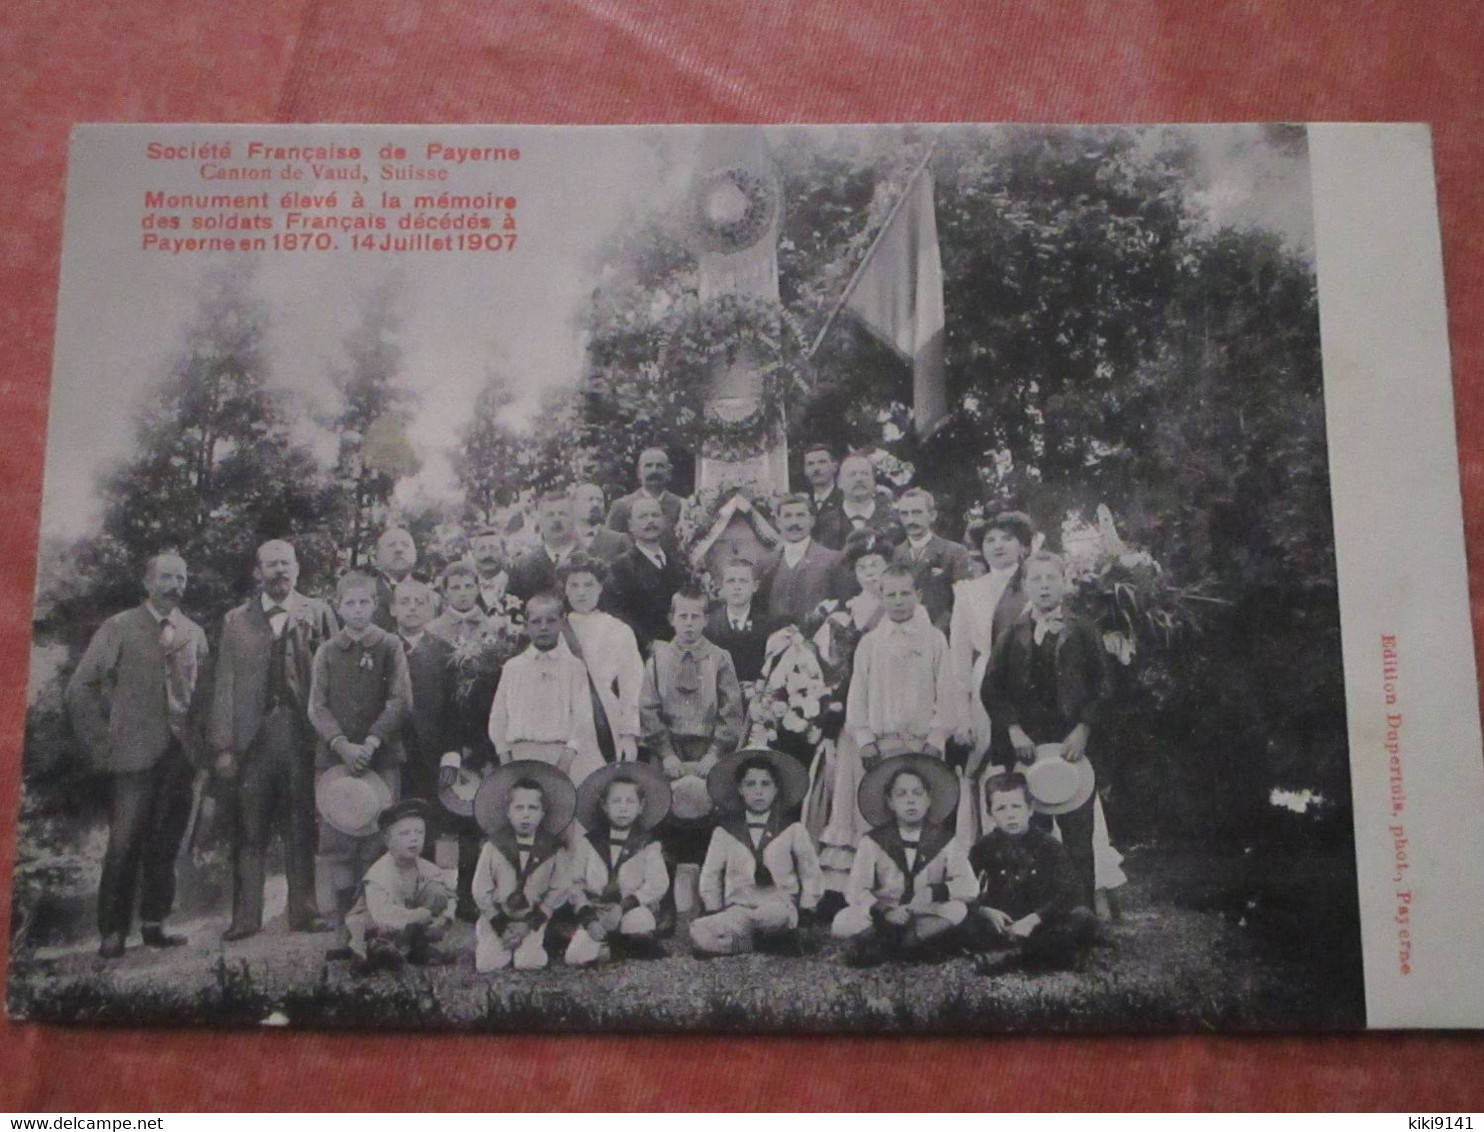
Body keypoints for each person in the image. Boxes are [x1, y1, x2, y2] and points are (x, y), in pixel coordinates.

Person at [66, 552, 210, 959]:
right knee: (125, 842)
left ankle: (155, 923)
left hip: (179, 757)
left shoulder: (194, 633)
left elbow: (204, 696)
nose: (174, 585)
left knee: (167, 843)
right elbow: (80, 689)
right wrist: (101, 745)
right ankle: (112, 931)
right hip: (131, 757)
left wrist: (199, 746)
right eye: (166, 577)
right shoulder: (120, 627)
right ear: (148, 582)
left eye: (181, 578)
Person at [211, 539, 338, 942]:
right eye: (271, 565)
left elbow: (334, 675)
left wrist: (332, 739)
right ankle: (246, 917)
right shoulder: (237, 621)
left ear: (297, 569)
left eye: (286, 564)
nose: (279, 571)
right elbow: (224, 685)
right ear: (257, 572)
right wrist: (225, 746)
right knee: (250, 829)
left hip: (302, 738)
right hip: (254, 740)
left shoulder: (317, 613)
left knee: (301, 825)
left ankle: (304, 911)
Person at [984, 550, 1110, 905]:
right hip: (1027, 744)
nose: (1043, 586)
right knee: (1028, 833)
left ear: (1064, 583)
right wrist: (1013, 730)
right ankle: (1030, 912)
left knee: (1077, 833)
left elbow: (1103, 685)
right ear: (1025, 586)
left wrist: (1083, 728)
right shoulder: (1012, 632)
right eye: (1036, 579)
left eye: (1051, 578)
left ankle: (1081, 914)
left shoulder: (1083, 629)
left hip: (1071, 744)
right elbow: (992, 688)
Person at [307, 571, 414, 948]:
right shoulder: (327, 652)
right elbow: (317, 706)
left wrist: (370, 742)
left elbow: (400, 700)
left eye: (364, 602)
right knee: (338, 844)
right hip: (336, 762)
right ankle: (343, 929)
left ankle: (381, 928)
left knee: (378, 842)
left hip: (380, 759)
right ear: (338, 607)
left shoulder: (389, 646)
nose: (357, 610)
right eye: (349, 603)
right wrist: (341, 744)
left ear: (376, 605)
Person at [810, 532, 896, 890]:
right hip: (853, 709)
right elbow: (829, 663)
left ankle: (888, 867)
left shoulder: (898, 608)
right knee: (849, 780)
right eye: (863, 567)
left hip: (889, 708)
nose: (870, 573)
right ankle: (847, 874)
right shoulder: (843, 611)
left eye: (876, 566)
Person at [831, 754, 975, 966]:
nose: (910, 800)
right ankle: (910, 946)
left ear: (928, 800)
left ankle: (892, 945)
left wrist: (935, 891)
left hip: (924, 912)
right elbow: (855, 890)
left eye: (918, 793)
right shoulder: (873, 841)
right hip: (887, 913)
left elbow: (969, 885)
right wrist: (885, 911)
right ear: (890, 801)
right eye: (901, 794)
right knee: (842, 922)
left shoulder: (945, 840)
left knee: (958, 909)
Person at [640, 588, 745, 871]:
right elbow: (648, 709)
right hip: (669, 750)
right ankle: (666, 889)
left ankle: (705, 885)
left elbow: (731, 711)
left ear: (706, 620)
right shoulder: (658, 659)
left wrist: (715, 753)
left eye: (695, 616)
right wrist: (665, 754)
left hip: (707, 749)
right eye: (682, 616)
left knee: (707, 815)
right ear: (672, 619)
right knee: (665, 815)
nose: (688, 623)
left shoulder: (720, 658)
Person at [948, 510, 1034, 840]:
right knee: (991, 768)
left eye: (1007, 539)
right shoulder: (969, 591)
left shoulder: (1033, 583)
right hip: (986, 687)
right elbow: (958, 658)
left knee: (1032, 763)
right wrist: (961, 716)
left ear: (1023, 546)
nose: (998, 546)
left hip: (1030, 686)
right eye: (990, 540)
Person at [690, 749, 823, 957]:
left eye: (765, 784)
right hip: (739, 908)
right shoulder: (725, 831)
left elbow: (810, 872)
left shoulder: (792, 829)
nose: (758, 791)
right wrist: (713, 908)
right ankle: (761, 943)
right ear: (740, 789)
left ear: (776, 789)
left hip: (778, 905)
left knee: (773, 917)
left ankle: (747, 941)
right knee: (700, 931)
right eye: (750, 784)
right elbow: (711, 874)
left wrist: (807, 909)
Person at [966, 772, 1097, 973]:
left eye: (1016, 806)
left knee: (1083, 917)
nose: (1010, 814)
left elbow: (1069, 890)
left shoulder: (1049, 845)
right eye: (1001, 808)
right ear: (990, 813)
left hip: (1040, 920)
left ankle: (1011, 957)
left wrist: (1035, 918)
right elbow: (963, 885)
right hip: (1003, 921)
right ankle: (1034, 955)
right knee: (962, 921)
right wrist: (984, 911)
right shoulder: (984, 847)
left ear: (1030, 809)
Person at [487, 592, 605, 788]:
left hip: (562, 756)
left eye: (551, 621)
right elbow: (499, 716)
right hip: (521, 755)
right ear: (525, 625)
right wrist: (504, 755)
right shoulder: (513, 667)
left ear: (562, 622)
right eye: (535, 621)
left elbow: (582, 716)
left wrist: (568, 756)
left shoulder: (574, 667)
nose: (543, 627)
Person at [561, 761, 672, 965]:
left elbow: (658, 884)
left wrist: (624, 906)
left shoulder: (647, 843)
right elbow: (574, 884)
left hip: (631, 908)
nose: (623, 808)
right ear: (604, 806)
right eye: (616, 802)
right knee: (575, 958)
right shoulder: (589, 842)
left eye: (630, 802)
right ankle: (623, 948)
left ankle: (623, 946)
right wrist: (589, 918)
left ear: (640, 807)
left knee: (639, 923)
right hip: (598, 910)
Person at [471, 761, 576, 972]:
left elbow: (561, 887)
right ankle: (497, 942)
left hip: (531, 918)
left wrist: (530, 923)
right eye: (519, 808)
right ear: (508, 812)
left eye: (533, 808)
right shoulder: (494, 846)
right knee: (487, 964)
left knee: (529, 962)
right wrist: (501, 925)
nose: (526, 814)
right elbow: (480, 889)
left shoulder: (553, 848)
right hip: (498, 916)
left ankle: (535, 942)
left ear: (543, 813)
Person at [343, 798, 455, 974]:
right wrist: (419, 915)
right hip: (375, 921)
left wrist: (444, 918)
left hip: (408, 922)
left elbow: (448, 897)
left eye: (419, 833)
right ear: (388, 841)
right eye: (405, 834)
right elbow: (383, 915)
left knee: (436, 890)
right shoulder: (380, 873)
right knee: (374, 935)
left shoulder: (427, 869)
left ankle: (417, 946)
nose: (414, 839)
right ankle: (369, 953)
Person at [559, 552, 644, 763]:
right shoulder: (555, 629)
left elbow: (632, 688)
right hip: (562, 721)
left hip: (604, 719)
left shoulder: (619, 630)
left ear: (600, 587)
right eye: (574, 585)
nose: (581, 592)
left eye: (588, 585)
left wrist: (629, 735)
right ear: (565, 589)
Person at [391, 580, 458, 810]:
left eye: (419, 602)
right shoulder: (381, 649)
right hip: (390, 752)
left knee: (430, 818)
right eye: (404, 602)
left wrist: (451, 753)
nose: (412, 608)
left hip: (432, 753)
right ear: (393, 608)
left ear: (431, 609)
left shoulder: (445, 652)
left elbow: (454, 707)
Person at [607, 495, 688, 652]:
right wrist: (648, 642)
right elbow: (618, 613)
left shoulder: (676, 561)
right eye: (643, 517)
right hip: (644, 653)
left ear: (664, 520)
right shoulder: (621, 566)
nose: (650, 521)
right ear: (630, 525)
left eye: (655, 515)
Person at [756, 494, 846, 628]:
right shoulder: (766, 563)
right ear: (778, 522)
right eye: (787, 516)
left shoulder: (832, 560)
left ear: (812, 521)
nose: (794, 523)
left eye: (800, 515)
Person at [892, 488, 972, 630]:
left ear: (932, 515)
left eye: (917, 513)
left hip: (942, 634)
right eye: (905, 514)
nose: (911, 520)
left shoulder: (954, 553)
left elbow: (963, 603)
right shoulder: (894, 555)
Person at [704, 557, 777, 687]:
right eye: (731, 581)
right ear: (722, 586)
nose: (737, 587)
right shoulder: (709, 625)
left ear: (755, 586)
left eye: (743, 581)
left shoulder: (768, 626)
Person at [814, 454, 901, 551]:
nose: (859, 479)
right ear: (839, 483)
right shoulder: (822, 524)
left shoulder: (895, 521)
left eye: (864, 473)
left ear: (874, 481)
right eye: (852, 474)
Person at [509, 492, 583, 602]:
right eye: (550, 515)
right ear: (540, 521)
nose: (556, 520)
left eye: (562, 514)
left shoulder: (588, 560)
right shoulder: (524, 566)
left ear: (574, 518)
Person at [605, 447, 684, 535]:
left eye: (660, 466)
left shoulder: (680, 505)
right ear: (639, 472)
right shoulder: (622, 507)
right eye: (648, 466)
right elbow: (611, 544)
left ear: (668, 472)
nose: (654, 471)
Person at [426, 561, 494, 647]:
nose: (463, 593)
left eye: (468, 587)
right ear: (445, 592)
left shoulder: (492, 627)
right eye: (455, 588)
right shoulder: (433, 630)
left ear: (477, 589)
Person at [465, 526, 524, 623]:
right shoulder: (466, 589)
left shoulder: (518, 586)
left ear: (505, 554)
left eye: (494, 549)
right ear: (473, 555)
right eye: (482, 549)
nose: (487, 555)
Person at [572, 482, 634, 563]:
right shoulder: (564, 539)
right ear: (574, 504)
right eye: (590, 499)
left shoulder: (618, 540)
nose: (595, 504)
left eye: (600, 500)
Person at [371, 527, 420, 630]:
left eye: (405, 545)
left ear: (415, 554)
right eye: (391, 545)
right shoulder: (365, 595)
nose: (399, 550)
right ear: (377, 557)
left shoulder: (431, 597)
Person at [801, 443, 843, 547]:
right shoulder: (802, 503)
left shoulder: (845, 501)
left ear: (835, 466)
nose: (816, 468)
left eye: (822, 462)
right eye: (810, 464)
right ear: (805, 470)